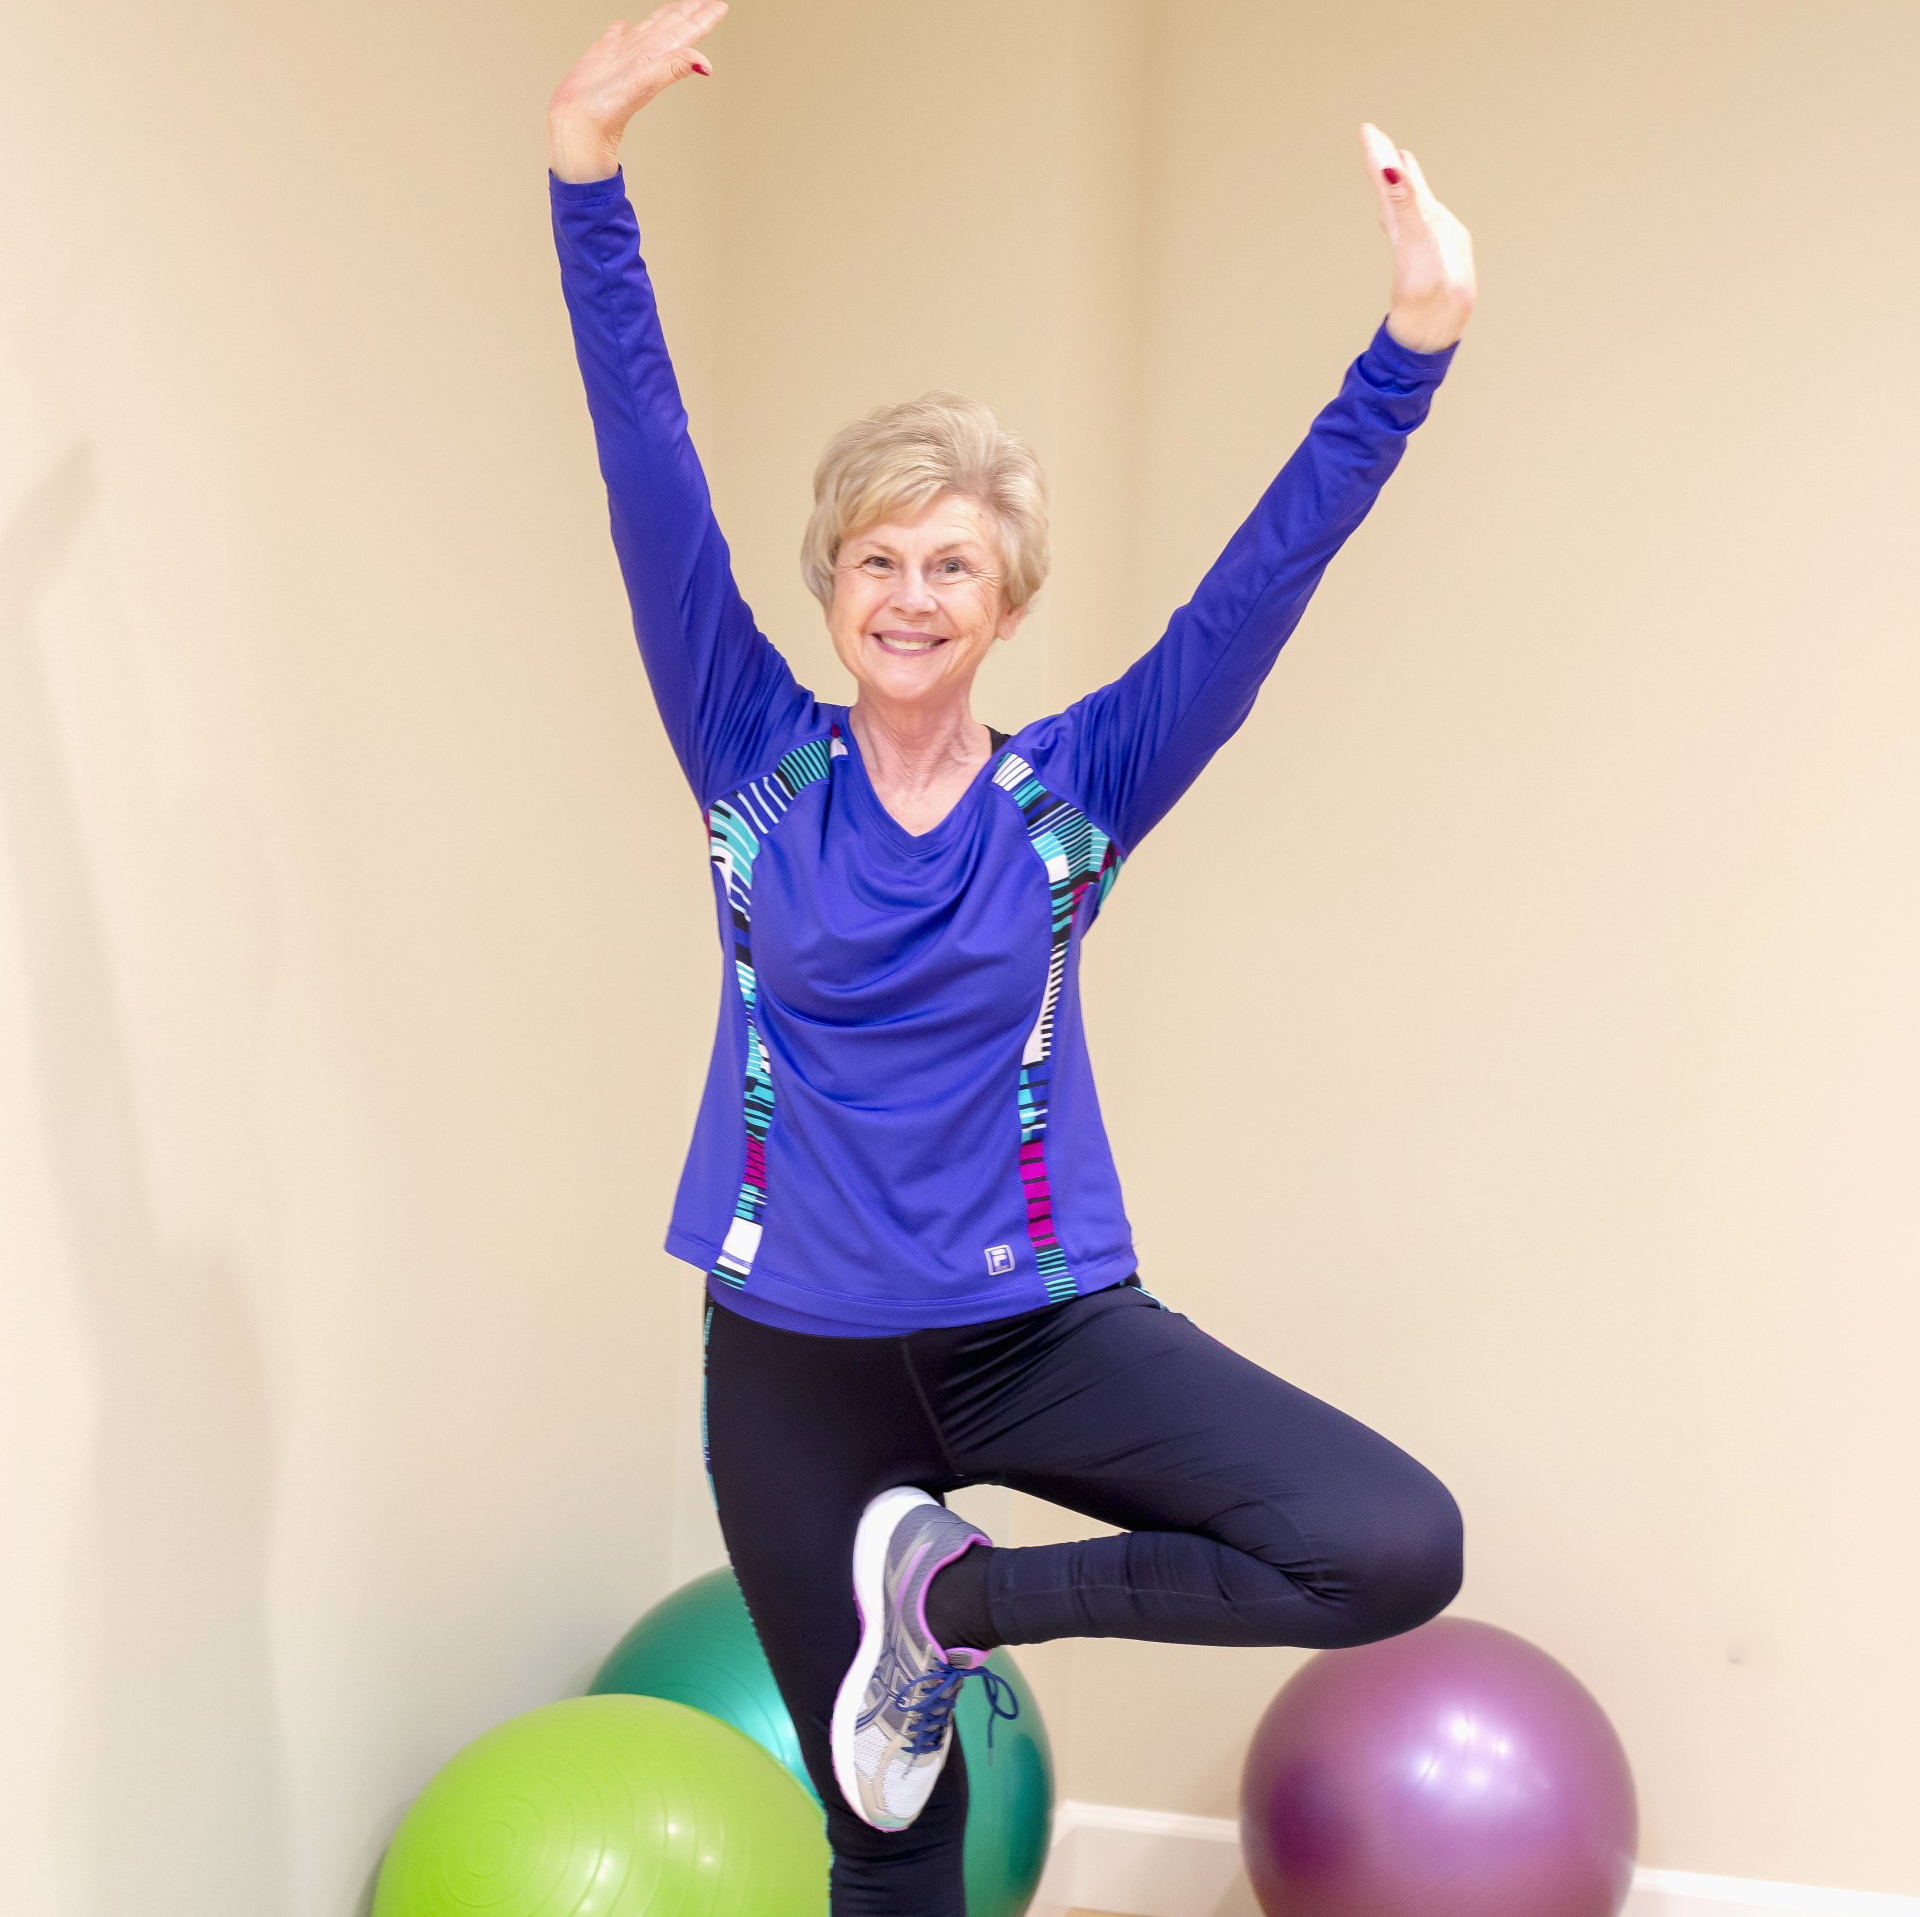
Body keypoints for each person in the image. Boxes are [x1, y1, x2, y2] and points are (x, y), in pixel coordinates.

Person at [548, 5, 1477, 1911]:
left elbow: (1259, 581)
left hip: (1034, 1332)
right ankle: (911, 1622)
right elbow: (649, 472)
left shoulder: (1080, 792)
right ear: (831, 583)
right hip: (796, 1365)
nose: (910, 597)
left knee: (1386, 1543)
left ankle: (955, 1598)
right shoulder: (749, 751)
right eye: (878, 560)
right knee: (892, 1829)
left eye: (952, 566)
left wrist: (1412, 350)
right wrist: (586, 181)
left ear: (1007, 602)